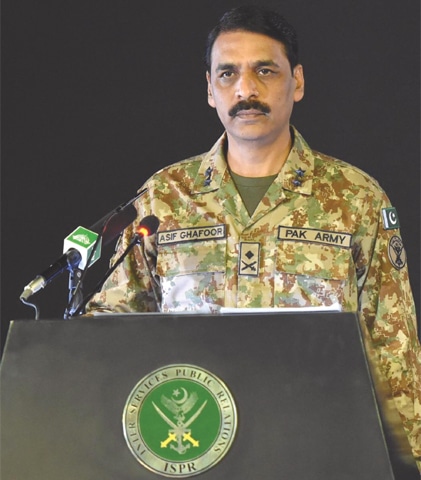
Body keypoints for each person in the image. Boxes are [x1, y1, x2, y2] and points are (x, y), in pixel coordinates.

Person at [87, 5, 421, 468]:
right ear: (209, 88)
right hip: (194, 451)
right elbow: (111, 326)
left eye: (265, 70)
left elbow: (393, 350)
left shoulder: (356, 198)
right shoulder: (165, 196)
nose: (246, 89)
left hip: (318, 450)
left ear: (297, 81)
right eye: (228, 74)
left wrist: (406, 464)